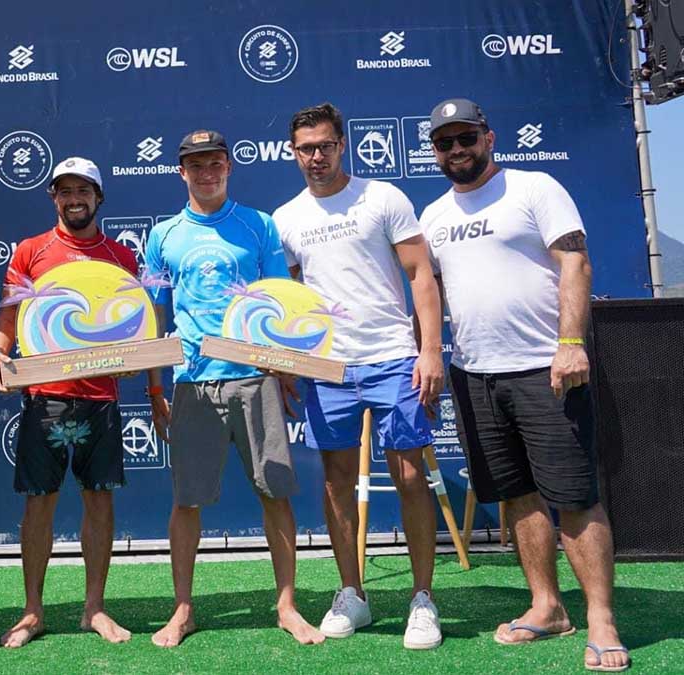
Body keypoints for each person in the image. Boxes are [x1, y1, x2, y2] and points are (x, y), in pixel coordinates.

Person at [420, 98, 628, 672]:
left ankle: (601, 619)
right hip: (475, 374)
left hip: (546, 368)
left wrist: (569, 344)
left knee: (575, 495)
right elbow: (427, 294)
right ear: (434, 150)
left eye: (466, 137)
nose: (456, 149)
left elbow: (575, 264)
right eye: (445, 142)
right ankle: (546, 606)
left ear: (489, 137)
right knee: (517, 494)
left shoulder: (535, 187)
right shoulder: (433, 216)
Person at [272, 103, 444, 649]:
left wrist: (431, 350)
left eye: (324, 145)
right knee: (335, 482)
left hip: (394, 355)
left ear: (342, 144)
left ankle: (422, 598)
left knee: (411, 477)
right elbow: (292, 299)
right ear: (293, 152)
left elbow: (420, 273)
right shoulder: (286, 218)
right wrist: (290, 362)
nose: (315, 156)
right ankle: (353, 593)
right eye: (305, 148)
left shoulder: (383, 197)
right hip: (328, 367)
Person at [143, 130, 324, 648]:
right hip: (191, 384)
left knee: (275, 493)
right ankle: (183, 610)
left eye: (215, 163)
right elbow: (154, 314)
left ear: (229, 166)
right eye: (196, 165)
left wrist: (285, 370)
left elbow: (279, 302)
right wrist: (155, 388)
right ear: (182, 171)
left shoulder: (258, 224)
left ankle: (286, 605)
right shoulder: (163, 235)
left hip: (255, 378)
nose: (206, 173)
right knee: (187, 502)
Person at [0, 157, 136, 648]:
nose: (74, 199)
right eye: (65, 191)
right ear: (54, 198)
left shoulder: (121, 257)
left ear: (99, 197)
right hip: (44, 397)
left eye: (84, 190)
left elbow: (134, 327)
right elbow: (8, 314)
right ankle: (33, 611)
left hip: (101, 398)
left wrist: (137, 363)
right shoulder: (31, 250)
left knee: (99, 501)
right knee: (39, 504)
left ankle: (94, 608)